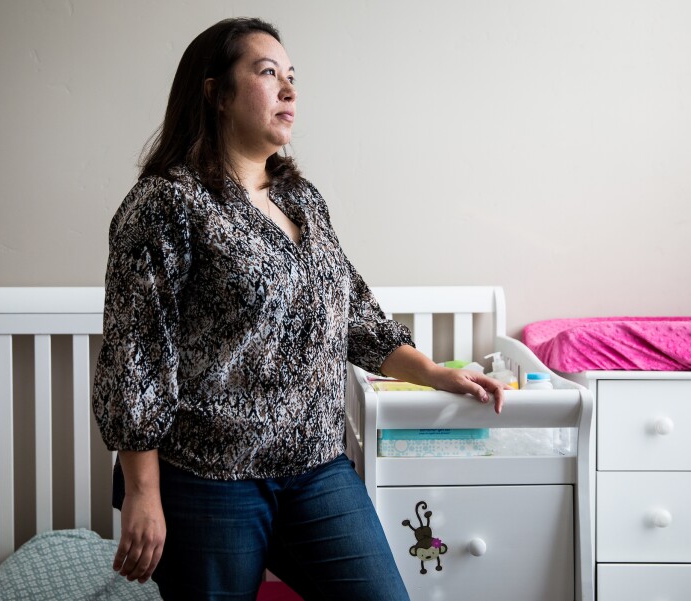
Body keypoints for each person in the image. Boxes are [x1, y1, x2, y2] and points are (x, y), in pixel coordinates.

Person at [92, 17, 510, 601]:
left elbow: (354, 313)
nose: (289, 90)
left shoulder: (301, 199)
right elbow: (135, 355)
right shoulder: (166, 202)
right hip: (210, 476)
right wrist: (143, 491)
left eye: (292, 77)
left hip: (316, 465)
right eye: (267, 74)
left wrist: (436, 373)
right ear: (214, 92)